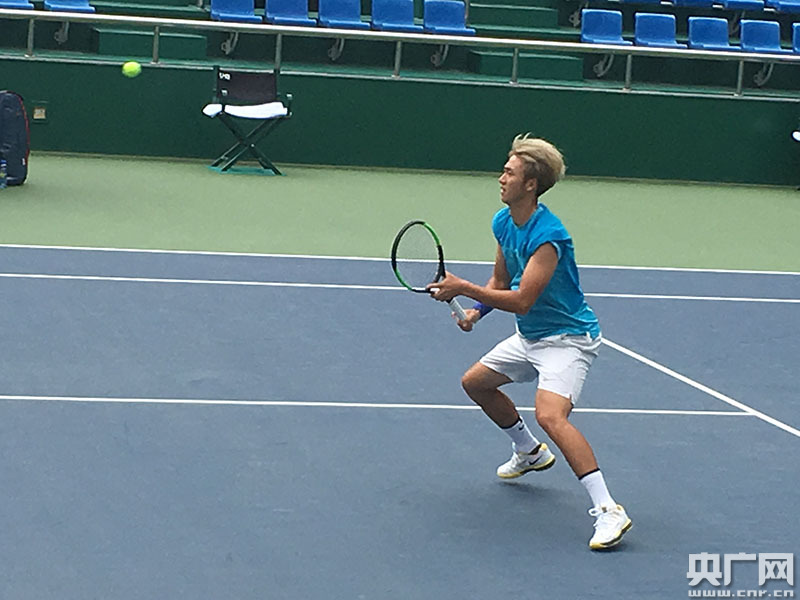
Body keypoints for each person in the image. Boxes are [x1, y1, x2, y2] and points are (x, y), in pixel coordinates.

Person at [427, 134, 632, 550]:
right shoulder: (503, 222)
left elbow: (522, 300)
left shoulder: (548, 237)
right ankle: (529, 451)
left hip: (568, 340)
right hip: (531, 335)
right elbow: (501, 281)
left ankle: (609, 509)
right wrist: (476, 312)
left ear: (531, 184)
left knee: (551, 416)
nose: (501, 178)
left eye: (509, 172)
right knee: (475, 383)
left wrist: (462, 287)